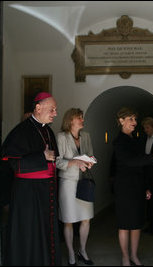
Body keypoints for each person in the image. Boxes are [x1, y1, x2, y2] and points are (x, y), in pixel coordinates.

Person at [1, 92, 62, 265]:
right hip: (28, 196)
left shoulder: (48, 131)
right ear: (38, 107)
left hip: (46, 194)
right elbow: (11, 163)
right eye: (52, 109)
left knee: (46, 234)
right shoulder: (21, 131)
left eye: (55, 110)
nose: (55, 113)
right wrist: (41, 157)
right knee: (30, 236)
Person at [112, 107, 153, 266]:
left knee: (137, 223)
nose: (135, 122)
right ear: (121, 121)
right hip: (124, 188)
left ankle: (134, 255)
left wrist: (146, 187)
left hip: (138, 186)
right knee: (125, 225)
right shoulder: (119, 141)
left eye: (135, 119)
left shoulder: (136, 139)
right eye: (130, 119)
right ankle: (125, 257)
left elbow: (141, 166)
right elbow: (131, 162)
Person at [56, 108, 95, 266]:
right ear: (70, 120)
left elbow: (91, 154)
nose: (82, 120)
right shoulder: (61, 137)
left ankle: (82, 251)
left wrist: (90, 162)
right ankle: (71, 254)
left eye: (82, 117)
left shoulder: (86, 136)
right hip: (68, 183)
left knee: (86, 219)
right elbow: (58, 162)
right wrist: (75, 162)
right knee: (68, 220)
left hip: (84, 182)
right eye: (79, 117)